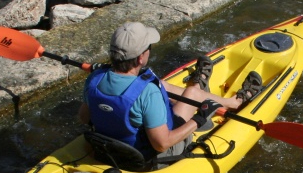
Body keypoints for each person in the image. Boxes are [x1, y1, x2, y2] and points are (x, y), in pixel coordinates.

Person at [78, 21, 262, 161]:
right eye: (148, 47)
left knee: (159, 84)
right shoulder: (147, 93)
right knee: (191, 94)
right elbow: (162, 144)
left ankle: (200, 85)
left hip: (111, 148)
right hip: (147, 157)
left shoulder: (94, 79)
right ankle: (232, 101)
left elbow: (84, 118)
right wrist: (198, 119)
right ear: (141, 57)